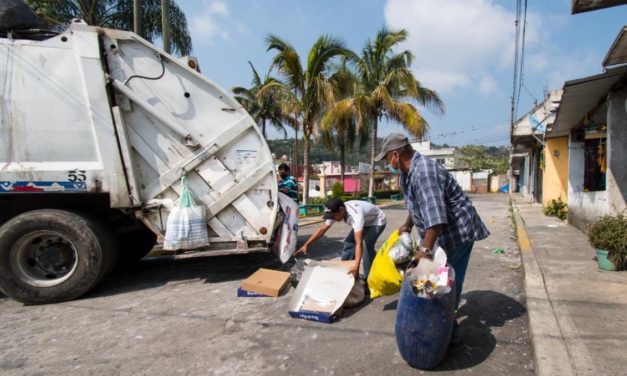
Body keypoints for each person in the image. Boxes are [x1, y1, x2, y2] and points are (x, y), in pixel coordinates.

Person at [375, 133, 490, 341]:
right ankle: (442, 319)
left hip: (458, 232)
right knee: (437, 278)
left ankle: (448, 329)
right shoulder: (408, 173)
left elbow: (436, 218)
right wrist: (407, 225)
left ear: (395, 156)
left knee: (445, 281)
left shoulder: (424, 172)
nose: (387, 163)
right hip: (443, 231)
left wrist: (425, 250)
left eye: (386, 159)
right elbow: (419, 203)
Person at [295, 198, 386, 280]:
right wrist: (307, 244)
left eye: (333, 216)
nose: (332, 218)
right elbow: (322, 230)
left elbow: (359, 243)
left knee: (366, 246)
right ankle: (344, 269)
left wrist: (356, 267)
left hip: (377, 221)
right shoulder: (336, 210)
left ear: (341, 210)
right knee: (349, 242)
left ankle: (369, 279)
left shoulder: (356, 215)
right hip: (365, 221)